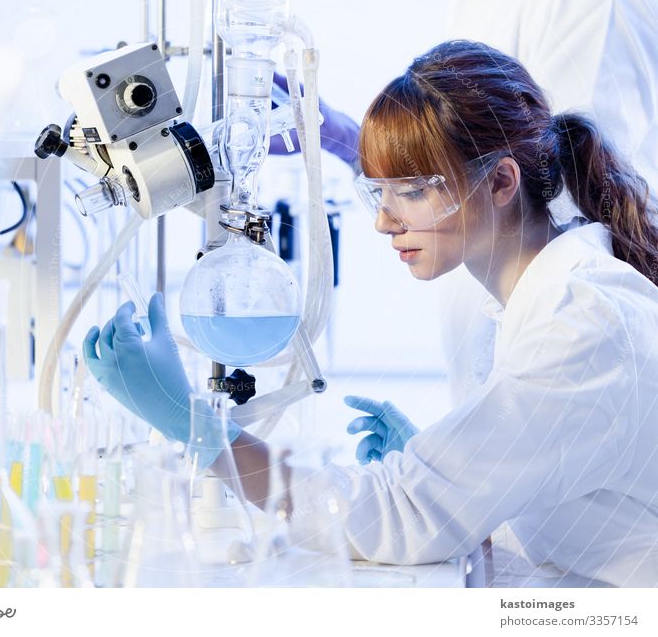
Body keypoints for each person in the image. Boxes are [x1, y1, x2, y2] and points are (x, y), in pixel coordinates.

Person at [83, 40, 658, 587]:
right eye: (378, 191)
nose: (384, 221)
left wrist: (196, 428)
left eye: (410, 189)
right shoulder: (543, 299)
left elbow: (402, 515)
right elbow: (567, 498)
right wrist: (455, 465)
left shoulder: (582, 324)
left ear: (503, 181)